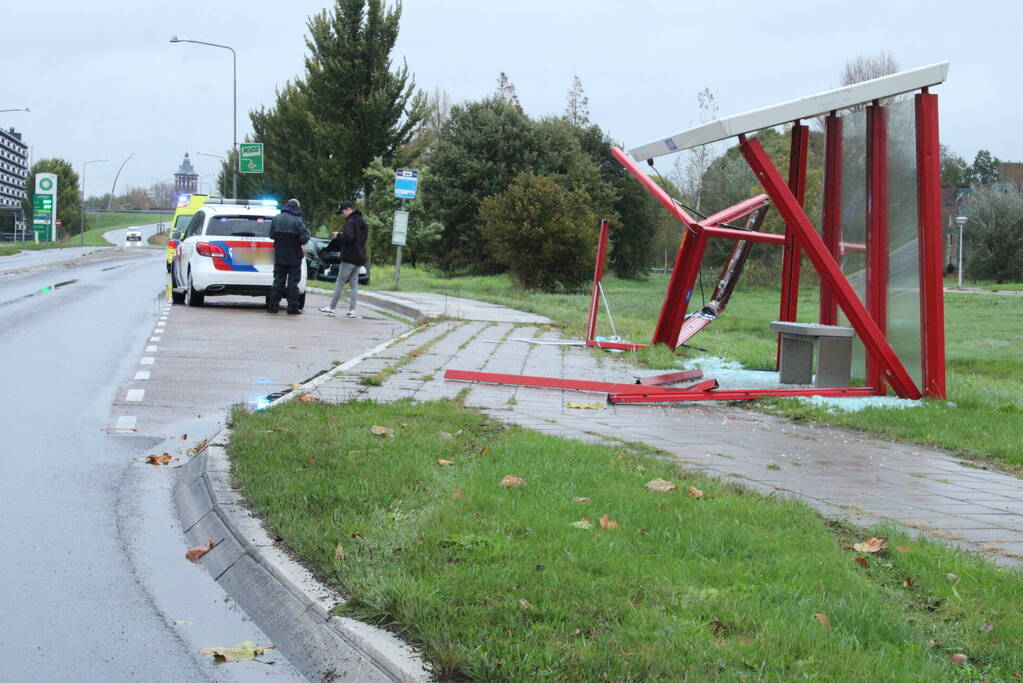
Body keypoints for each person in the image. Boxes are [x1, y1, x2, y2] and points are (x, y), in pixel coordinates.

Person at [319, 200, 368, 318]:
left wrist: (338, 235)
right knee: (354, 284)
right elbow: (359, 239)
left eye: (342, 212)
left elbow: (349, 238)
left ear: (348, 209)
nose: (342, 215)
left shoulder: (350, 221)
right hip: (360, 257)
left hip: (349, 257)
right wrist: (343, 234)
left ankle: (331, 308)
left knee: (340, 282)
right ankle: (352, 310)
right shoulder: (362, 221)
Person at [267, 198, 310, 315]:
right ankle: (292, 308)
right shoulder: (298, 221)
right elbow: (304, 238)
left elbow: (271, 235)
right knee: (293, 283)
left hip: (279, 255)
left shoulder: (276, 218)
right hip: (294, 257)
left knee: (278, 282)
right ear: (297, 207)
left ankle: (273, 306)